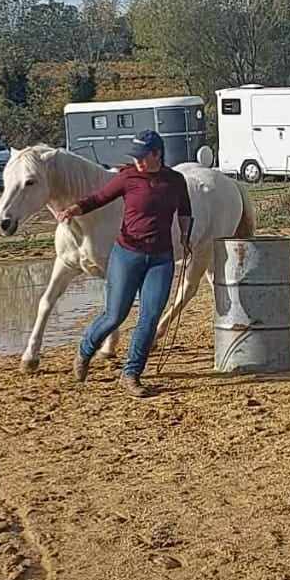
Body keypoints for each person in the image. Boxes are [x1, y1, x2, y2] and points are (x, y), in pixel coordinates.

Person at [61, 130, 193, 398]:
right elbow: (99, 198)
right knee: (114, 315)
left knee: (150, 317)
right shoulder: (128, 177)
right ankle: (86, 350)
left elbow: (185, 210)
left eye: (143, 157)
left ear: (157, 154)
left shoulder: (175, 180)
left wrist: (187, 235)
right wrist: (74, 209)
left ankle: (131, 373)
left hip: (161, 258)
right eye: (135, 157)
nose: (138, 162)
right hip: (127, 254)